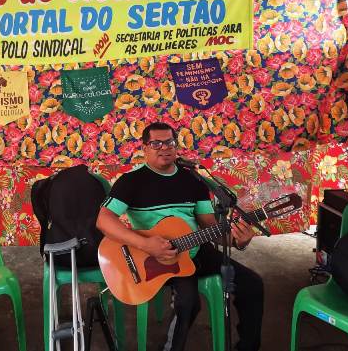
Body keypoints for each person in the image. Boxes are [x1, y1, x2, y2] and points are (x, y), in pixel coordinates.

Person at [96, 122, 263, 351]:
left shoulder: (193, 180)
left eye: (170, 142)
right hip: (153, 257)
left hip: (196, 249)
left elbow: (210, 228)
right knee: (188, 303)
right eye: (156, 143)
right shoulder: (131, 181)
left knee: (252, 284)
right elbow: (103, 220)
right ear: (145, 148)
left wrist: (237, 241)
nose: (164, 148)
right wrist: (146, 244)